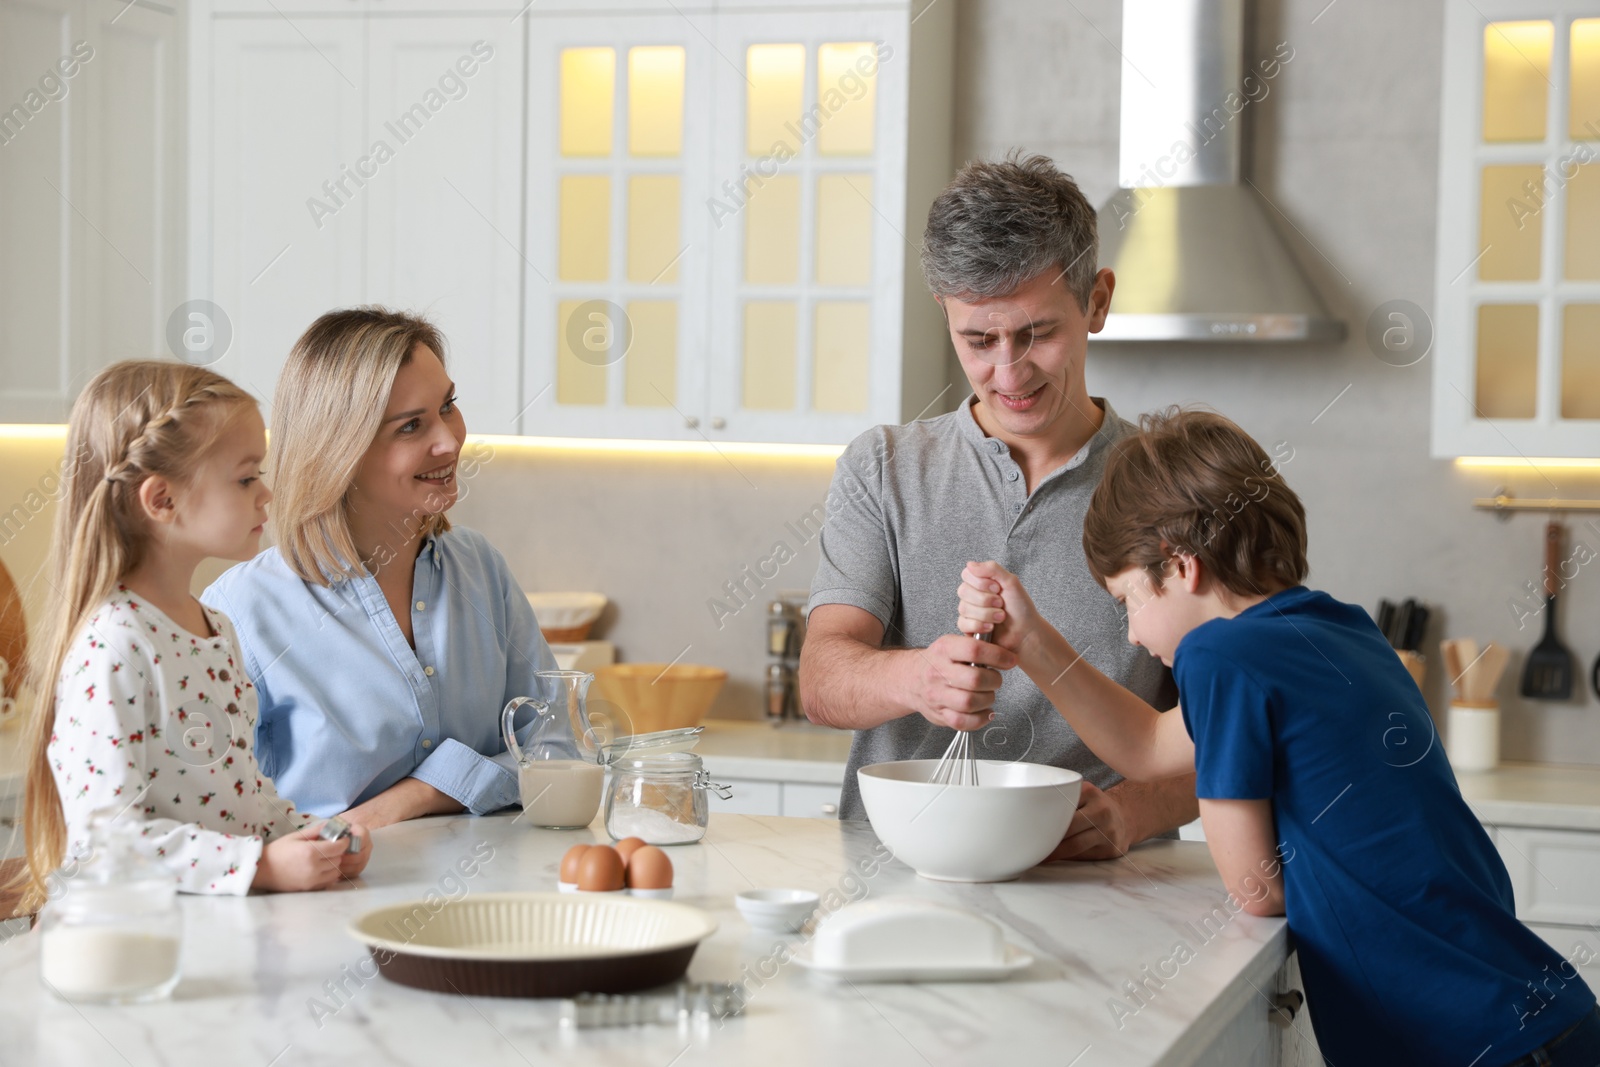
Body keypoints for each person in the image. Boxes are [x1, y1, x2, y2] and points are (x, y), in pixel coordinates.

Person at [956, 407, 1600, 1066]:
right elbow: (1149, 745)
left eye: (1128, 602)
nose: (1134, 635)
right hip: (1544, 1015)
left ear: (1182, 568)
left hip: (1476, 1045)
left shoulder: (1219, 656)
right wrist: (1031, 640)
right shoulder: (1342, 630)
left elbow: (1255, 887)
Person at [799, 152, 1196, 858]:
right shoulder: (883, 468)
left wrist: (1131, 813)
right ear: (944, 314)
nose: (1007, 373)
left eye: (1036, 333)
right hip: (899, 875)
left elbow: (1230, 736)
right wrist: (915, 676)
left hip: (1100, 887)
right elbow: (822, 678)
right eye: (978, 339)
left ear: (1097, 301)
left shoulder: (1171, 486)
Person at [10, 361, 371, 911]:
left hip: (211, 929)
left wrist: (318, 835)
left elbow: (241, 794)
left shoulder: (216, 629)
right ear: (162, 501)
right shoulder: (114, 645)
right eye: (247, 477)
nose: (266, 494)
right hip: (138, 948)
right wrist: (261, 867)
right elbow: (104, 844)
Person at [203, 307, 558, 829]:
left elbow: (558, 742)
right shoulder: (240, 612)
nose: (449, 441)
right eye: (411, 426)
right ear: (339, 451)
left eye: (448, 406)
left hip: (482, 899)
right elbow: (214, 824)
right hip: (324, 906)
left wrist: (416, 796)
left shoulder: (480, 568)